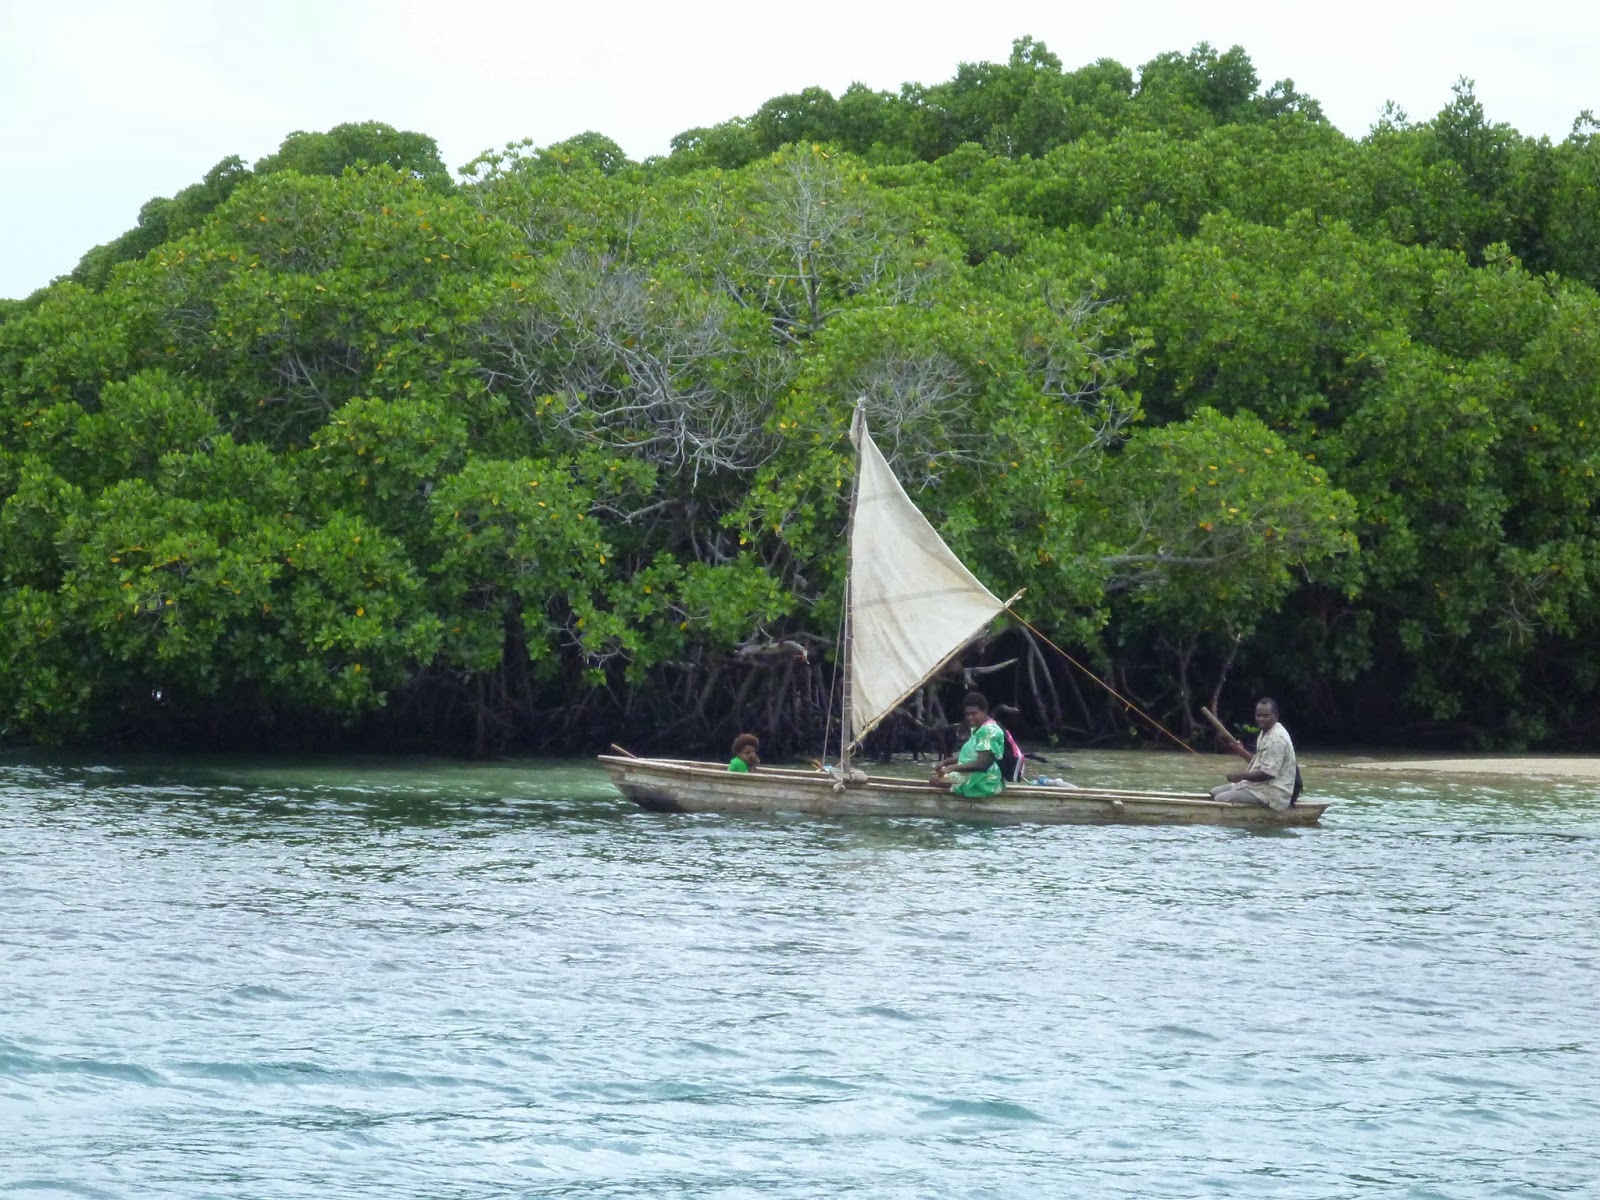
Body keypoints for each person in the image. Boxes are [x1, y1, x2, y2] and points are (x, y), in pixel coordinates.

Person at [1211, 698, 1296, 810]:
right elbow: (1261, 763)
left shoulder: (1277, 738)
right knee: (1214, 792)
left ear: (1276, 716)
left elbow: (1268, 773)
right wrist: (1242, 752)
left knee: (1220, 798)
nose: (1261, 719)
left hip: (1273, 793)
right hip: (1257, 787)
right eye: (1258, 715)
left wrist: (1240, 776)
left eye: (1266, 716)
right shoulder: (1264, 733)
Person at [930, 691, 1006, 798]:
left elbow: (982, 764)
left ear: (984, 711)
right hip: (976, 775)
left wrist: (952, 768)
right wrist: (945, 762)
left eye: (974, 713)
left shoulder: (989, 731)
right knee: (936, 778)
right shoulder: (977, 728)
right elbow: (971, 756)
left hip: (985, 781)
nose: (970, 717)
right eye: (967, 714)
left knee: (935, 781)